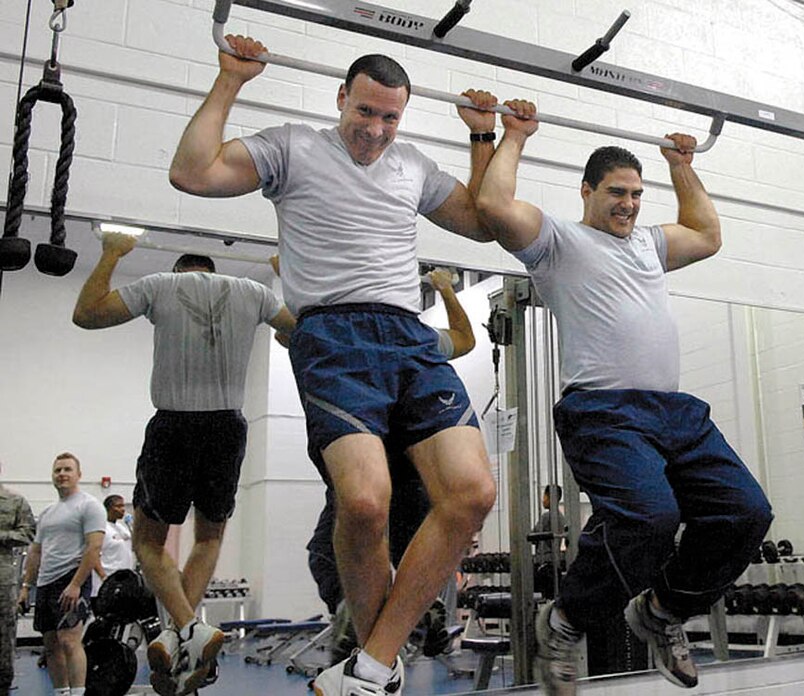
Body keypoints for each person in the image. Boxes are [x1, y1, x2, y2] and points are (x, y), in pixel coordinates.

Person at [169, 35, 497, 696]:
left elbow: (481, 222)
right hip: (333, 333)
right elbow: (193, 173)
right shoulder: (292, 146)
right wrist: (231, 80)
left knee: (473, 494)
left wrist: (485, 139)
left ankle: (374, 664)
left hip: (408, 332)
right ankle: (378, 663)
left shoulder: (413, 166)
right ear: (341, 97)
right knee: (365, 503)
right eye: (366, 112)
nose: (375, 130)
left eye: (390, 118)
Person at [476, 101, 775, 694]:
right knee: (651, 518)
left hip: (674, 412)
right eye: (617, 192)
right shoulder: (556, 241)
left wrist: (681, 166)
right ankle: (564, 623)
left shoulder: (648, 245)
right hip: (603, 410)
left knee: (746, 513)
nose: (630, 205)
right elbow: (491, 205)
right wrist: (514, 135)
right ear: (587, 190)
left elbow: (709, 235)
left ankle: (661, 611)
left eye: (637, 194)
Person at [71, 236, 295, 696]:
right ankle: (179, 636)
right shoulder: (254, 292)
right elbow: (298, 336)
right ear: (211, 269)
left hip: (174, 424)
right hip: (229, 426)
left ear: (180, 270)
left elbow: (87, 314)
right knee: (210, 535)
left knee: (147, 541)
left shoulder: (161, 284)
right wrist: (287, 275)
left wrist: (113, 252)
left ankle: (188, 625)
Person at [307, 269, 474, 661]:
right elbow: (465, 339)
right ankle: (421, 609)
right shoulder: (419, 341)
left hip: (363, 466)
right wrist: (446, 290)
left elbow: (289, 331)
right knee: (406, 551)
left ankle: (362, 611)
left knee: (328, 552)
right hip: (407, 474)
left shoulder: (349, 335)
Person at [18, 453, 106, 696]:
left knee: (69, 640)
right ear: (52, 476)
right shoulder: (47, 513)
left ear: (79, 474)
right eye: (58, 470)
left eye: (67, 469)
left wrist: (76, 584)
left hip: (72, 579)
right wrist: (27, 586)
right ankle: (61, 693)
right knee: (51, 646)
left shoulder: (89, 505)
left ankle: (78, 693)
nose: (62, 474)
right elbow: (35, 552)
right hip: (46, 583)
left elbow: (94, 548)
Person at [0, 462, 35, 696]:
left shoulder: (14, 501)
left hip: (3, 580)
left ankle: (3, 685)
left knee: (3, 633)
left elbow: (28, 533)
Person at [91, 495, 134, 597]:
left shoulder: (122, 527)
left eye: (123, 506)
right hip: (106, 579)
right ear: (108, 508)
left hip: (123, 580)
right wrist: (104, 577)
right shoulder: (101, 528)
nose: (123, 509)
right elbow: (94, 555)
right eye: (118, 506)